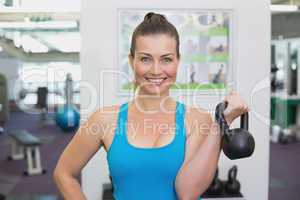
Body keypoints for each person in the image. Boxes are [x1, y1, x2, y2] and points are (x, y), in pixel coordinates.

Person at [53, 12, 249, 200]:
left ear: (178, 62)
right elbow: (63, 173)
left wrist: (223, 121)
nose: (156, 70)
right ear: (131, 61)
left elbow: (187, 193)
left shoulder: (198, 120)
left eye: (166, 59)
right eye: (146, 59)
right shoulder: (105, 120)